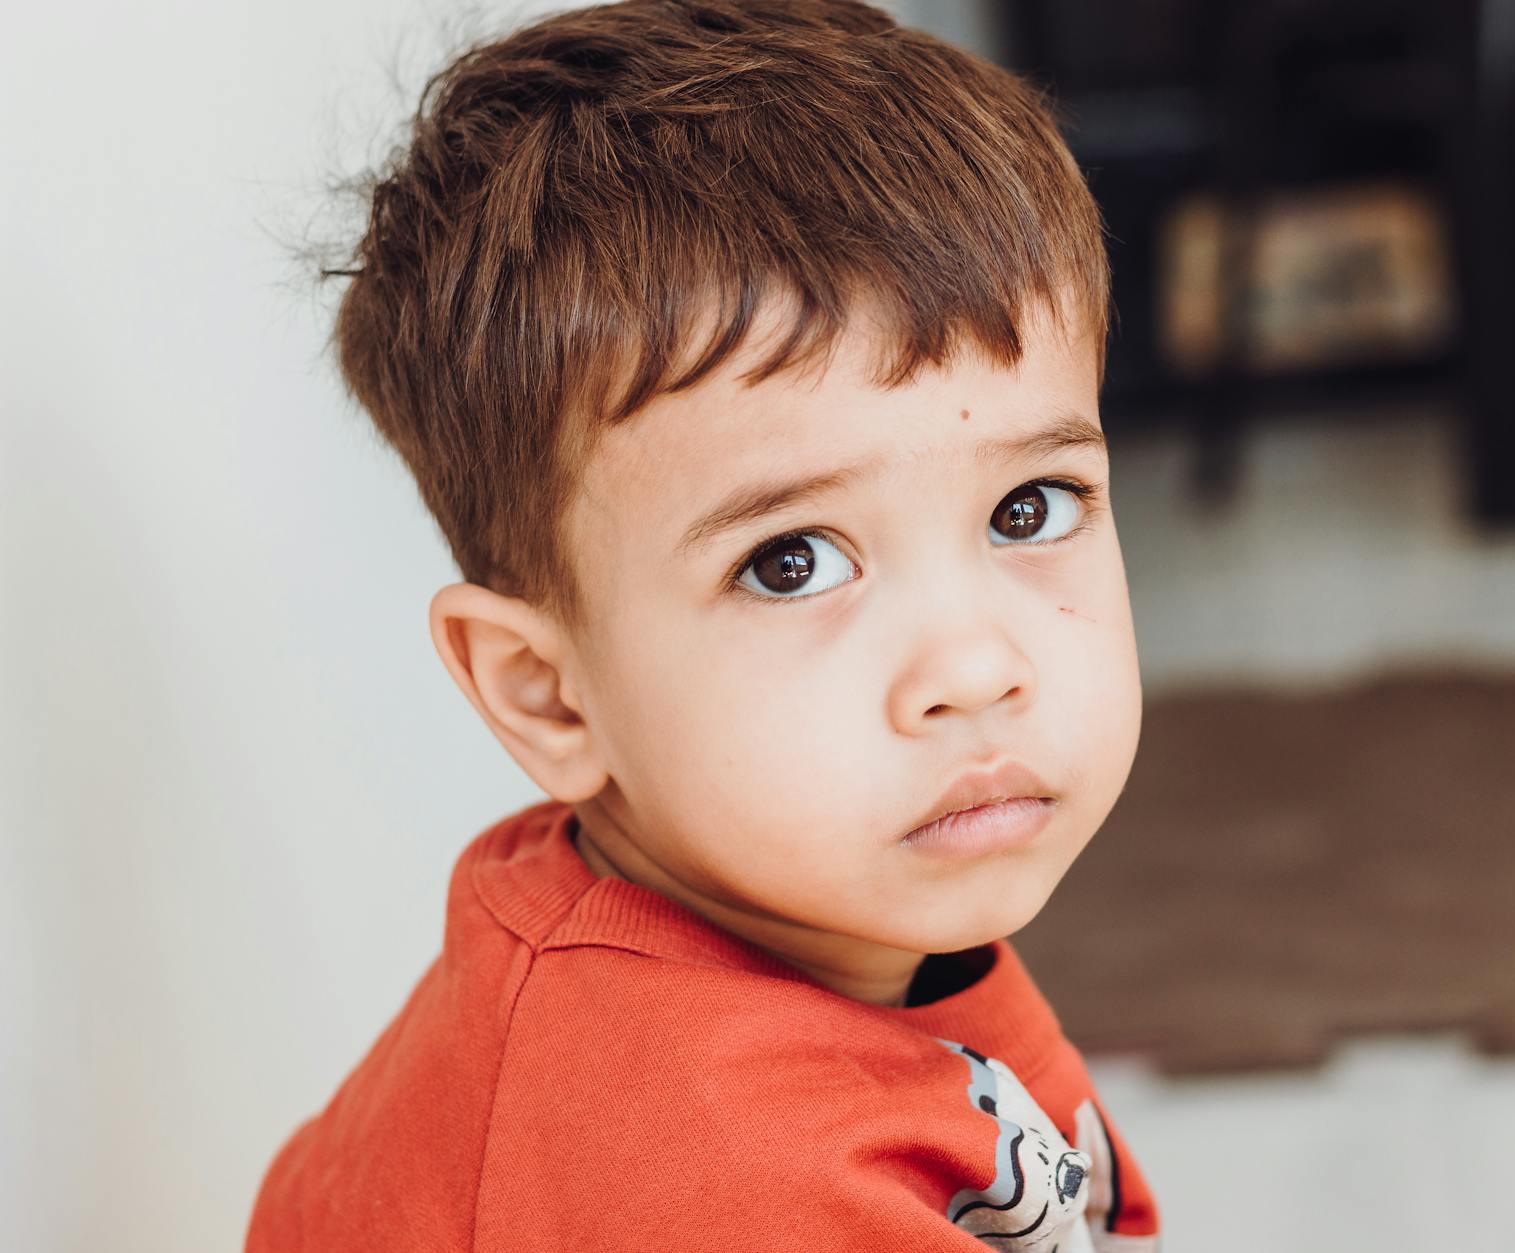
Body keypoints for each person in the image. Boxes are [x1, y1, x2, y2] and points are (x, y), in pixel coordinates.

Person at [245, 1, 1162, 1247]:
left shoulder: (813, 901)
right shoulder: (725, 1180)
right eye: (789, 562)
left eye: (1026, 505)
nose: (974, 666)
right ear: (546, 693)